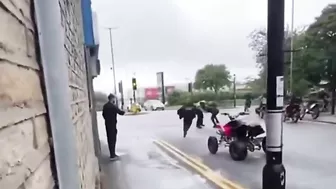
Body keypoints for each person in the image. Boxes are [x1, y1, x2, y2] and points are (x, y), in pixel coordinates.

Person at [102, 94, 125, 160]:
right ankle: (113, 155)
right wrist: (123, 110)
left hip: (107, 124)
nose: (114, 100)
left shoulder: (105, 106)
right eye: (114, 99)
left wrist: (107, 119)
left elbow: (103, 115)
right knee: (113, 139)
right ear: (112, 99)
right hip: (112, 124)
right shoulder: (113, 106)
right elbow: (121, 112)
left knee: (109, 139)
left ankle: (112, 154)